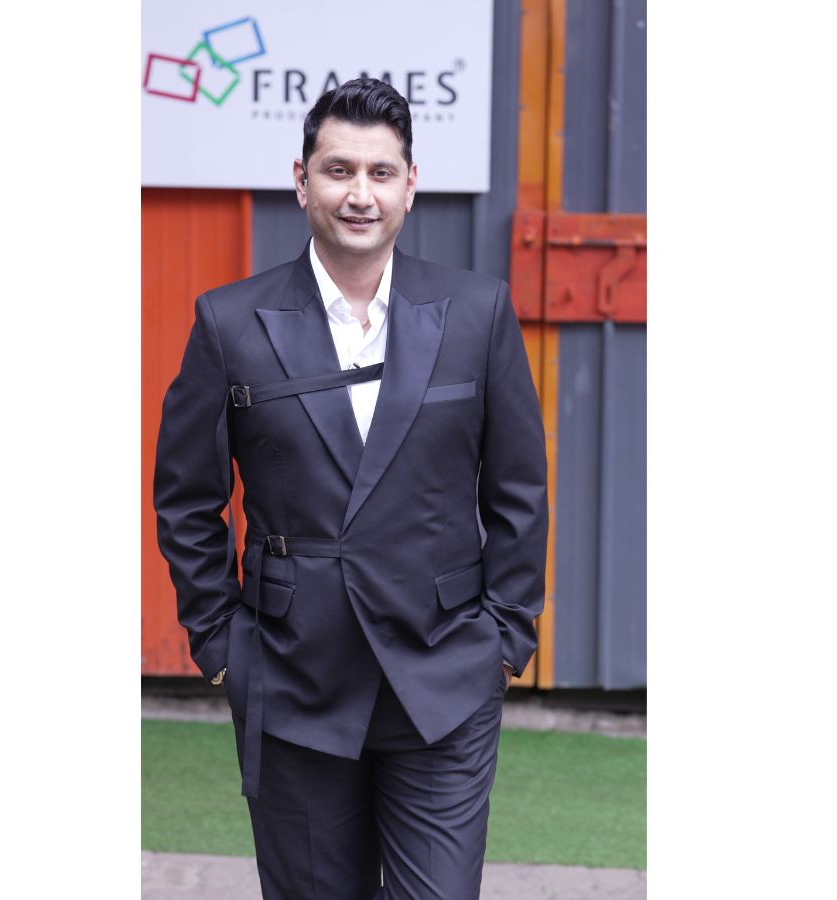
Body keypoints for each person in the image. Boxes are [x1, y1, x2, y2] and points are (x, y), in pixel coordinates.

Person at [154, 77, 547, 900]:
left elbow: (518, 490)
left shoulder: (477, 313)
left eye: (379, 172)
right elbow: (186, 499)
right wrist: (222, 645)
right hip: (292, 678)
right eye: (338, 171)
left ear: (410, 185)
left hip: (443, 673)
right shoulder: (229, 322)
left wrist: (505, 638)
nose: (359, 194)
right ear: (302, 181)